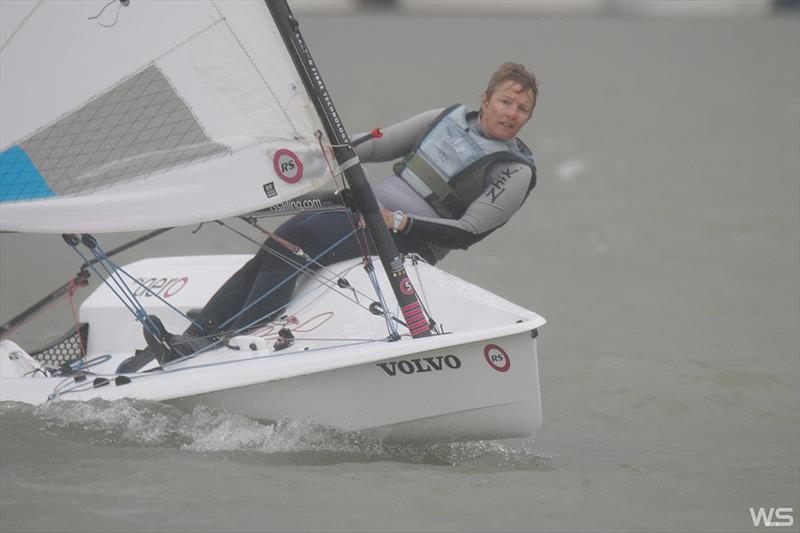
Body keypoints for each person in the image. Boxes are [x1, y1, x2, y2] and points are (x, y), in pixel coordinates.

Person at [138, 62, 539, 364]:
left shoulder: (513, 170)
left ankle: (224, 335)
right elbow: (378, 143)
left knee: (302, 241)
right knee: (286, 233)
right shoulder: (446, 118)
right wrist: (329, 151)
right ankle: (195, 335)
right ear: (485, 100)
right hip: (368, 212)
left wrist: (400, 222)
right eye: (506, 101)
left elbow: (468, 233)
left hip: (412, 238)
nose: (512, 113)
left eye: (522, 109)